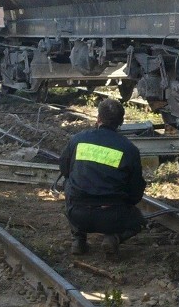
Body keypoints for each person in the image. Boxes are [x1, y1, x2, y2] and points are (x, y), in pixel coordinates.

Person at [59, 98, 146, 255]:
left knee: (68, 182)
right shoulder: (129, 149)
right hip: (112, 217)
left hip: (78, 214)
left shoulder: (78, 140)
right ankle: (113, 238)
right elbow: (136, 191)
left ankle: (78, 239)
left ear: (98, 118)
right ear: (121, 122)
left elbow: (64, 170)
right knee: (139, 222)